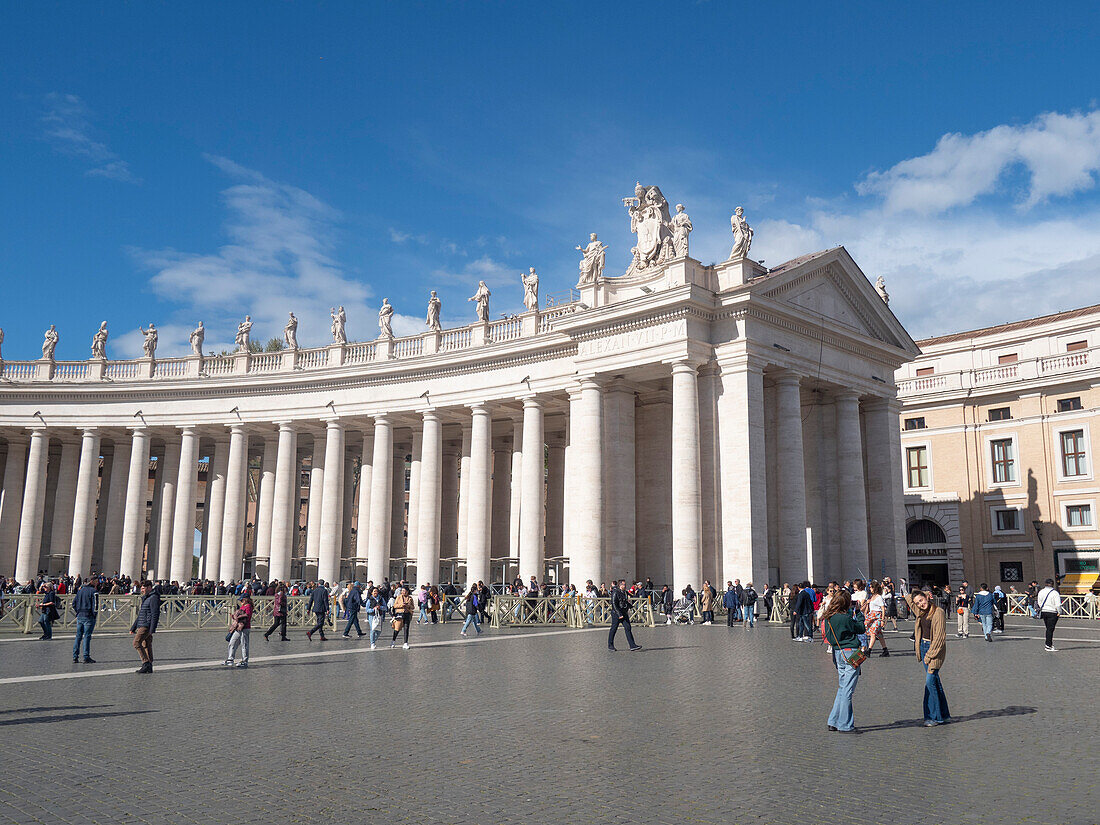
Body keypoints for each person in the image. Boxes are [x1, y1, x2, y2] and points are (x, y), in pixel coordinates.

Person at [820, 590, 865, 733]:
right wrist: (858, 613)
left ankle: (833, 720)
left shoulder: (828, 617)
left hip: (837, 652)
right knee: (847, 690)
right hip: (850, 652)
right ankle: (845, 724)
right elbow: (861, 628)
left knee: (842, 687)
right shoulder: (845, 618)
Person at [906, 589, 951, 726]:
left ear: (927, 597)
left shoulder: (938, 612)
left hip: (934, 651)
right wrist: (919, 593)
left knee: (929, 682)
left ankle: (932, 717)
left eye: (921, 600)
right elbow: (908, 598)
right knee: (935, 681)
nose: (920, 604)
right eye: (917, 603)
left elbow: (939, 638)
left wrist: (930, 655)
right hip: (924, 647)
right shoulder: (920, 612)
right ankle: (944, 714)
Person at [130, 581, 160, 674]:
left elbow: (155, 613)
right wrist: (133, 627)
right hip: (142, 623)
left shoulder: (153, 598)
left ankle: (145, 663)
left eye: (143, 588)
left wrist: (152, 628)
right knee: (146, 645)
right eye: (141, 588)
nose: (142, 590)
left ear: (149, 587)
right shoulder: (146, 598)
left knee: (136, 643)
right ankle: (149, 666)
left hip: (146, 624)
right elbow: (141, 614)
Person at [608, 580, 642, 652]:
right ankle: (610, 645)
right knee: (614, 629)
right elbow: (614, 604)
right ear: (620, 585)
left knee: (628, 628)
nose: (625, 586)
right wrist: (619, 614)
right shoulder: (615, 592)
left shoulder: (624, 592)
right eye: (624, 584)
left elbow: (625, 601)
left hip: (624, 612)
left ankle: (632, 645)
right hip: (616, 614)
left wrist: (631, 606)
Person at [71, 577, 99, 663]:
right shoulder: (94, 592)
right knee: (87, 636)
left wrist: (78, 611)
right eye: (96, 581)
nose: (97, 583)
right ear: (92, 581)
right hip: (88, 616)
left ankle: (75, 656)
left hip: (80, 615)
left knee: (78, 636)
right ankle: (86, 656)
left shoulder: (80, 591)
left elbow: (73, 603)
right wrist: (94, 615)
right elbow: (96, 605)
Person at [864, 581, 891, 657]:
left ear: (874, 588)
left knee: (873, 633)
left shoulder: (879, 597)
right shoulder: (872, 597)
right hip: (872, 616)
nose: (870, 589)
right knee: (879, 635)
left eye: (871, 587)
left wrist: (882, 620)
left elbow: (883, 608)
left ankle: (869, 650)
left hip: (877, 617)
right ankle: (885, 650)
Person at [225, 592, 253, 668]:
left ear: (246, 599)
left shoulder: (248, 606)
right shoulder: (243, 606)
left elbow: (247, 616)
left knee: (244, 645)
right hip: (238, 627)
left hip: (245, 628)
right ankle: (230, 659)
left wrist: (238, 617)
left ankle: (245, 661)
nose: (241, 602)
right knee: (232, 642)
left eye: (242, 600)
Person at [1037, 578, 1062, 651]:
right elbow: (1058, 604)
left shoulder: (1041, 591)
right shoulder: (1055, 593)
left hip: (1044, 611)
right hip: (1052, 612)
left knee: (1048, 628)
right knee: (1050, 629)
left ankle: (1048, 644)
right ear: (1052, 584)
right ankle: (1048, 645)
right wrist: (1059, 612)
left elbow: (1039, 602)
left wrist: (1043, 607)